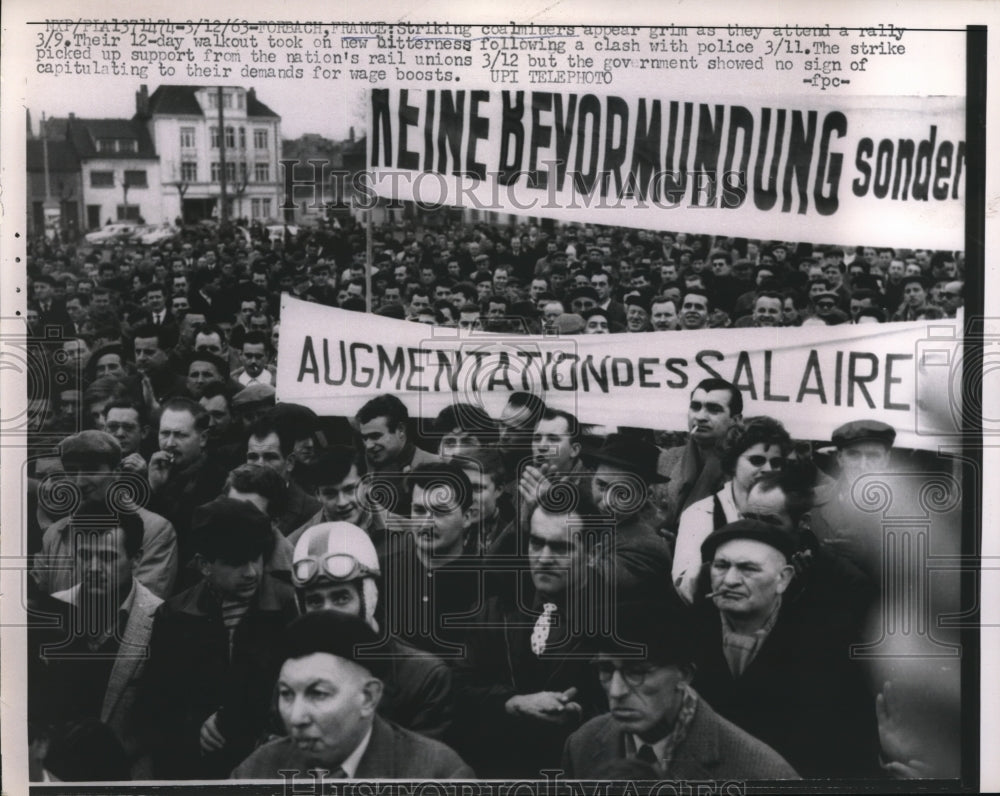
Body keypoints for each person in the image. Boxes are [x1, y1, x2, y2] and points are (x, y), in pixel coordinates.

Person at [690, 519, 881, 778]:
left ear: (784, 579)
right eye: (721, 566)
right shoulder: (684, 635)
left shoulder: (829, 647)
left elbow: (849, 749)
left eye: (748, 569)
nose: (730, 580)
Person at [139, 497, 298, 779]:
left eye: (256, 557)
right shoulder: (175, 616)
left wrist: (237, 720)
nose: (251, 572)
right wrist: (194, 729)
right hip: (200, 765)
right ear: (204, 565)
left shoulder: (288, 605)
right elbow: (157, 702)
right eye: (235, 562)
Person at [451, 492, 607, 778]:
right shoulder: (497, 609)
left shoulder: (614, 618)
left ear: (593, 552)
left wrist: (578, 714)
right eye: (536, 543)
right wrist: (513, 703)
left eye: (560, 548)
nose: (544, 559)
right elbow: (460, 686)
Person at [562, 604, 798, 780]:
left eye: (636, 672)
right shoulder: (582, 745)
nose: (616, 691)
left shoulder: (764, 775)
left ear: (684, 674)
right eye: (606, 669)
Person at [231, 612, 474, 779]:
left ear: (369, 697)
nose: (296, 717)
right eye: (286, 694)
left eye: (318, 693)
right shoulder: (256, 772)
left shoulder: (438, 775)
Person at [289, 523, 454, 740]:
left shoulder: (425, 678)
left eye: (341, 598)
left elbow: (424, 766)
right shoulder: (290, 673)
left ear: (368, 597)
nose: (327, 613)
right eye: (315, 601)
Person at [31, 512, 163, 778]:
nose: (93, 567)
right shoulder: (53, 610)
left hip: (128, 774)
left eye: (107, 557)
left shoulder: (161, 619)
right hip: (58, 774)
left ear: (136, 560)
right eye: (84, 555)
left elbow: (161, 720)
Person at [32, 430, 178, 599]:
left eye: (91, 470)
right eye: (71, 471)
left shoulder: (155, 531)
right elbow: (38, 603)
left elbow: (145, 610)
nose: (79, 482)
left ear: (116, 472)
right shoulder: (55, 534)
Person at [672, 417, 791, 603]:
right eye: (757, 460)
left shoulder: (788, 512)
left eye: (776, 463)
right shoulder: (700, 514)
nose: (769, 469)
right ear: (733, 463)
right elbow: (684, 585)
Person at [809, 420, 896, 581]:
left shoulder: (908, 511)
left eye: (873, 456)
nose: (863, 466)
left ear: (886, 460)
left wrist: (867, 557)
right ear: (840, 458)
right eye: (854, 454)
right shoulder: (811, 501)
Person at [147, 397, 229, 564]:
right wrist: (153, 489)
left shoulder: (218, 480)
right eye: (164, 433)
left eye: (180, 435)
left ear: (203, 438)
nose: (169, 443)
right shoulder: (151, 471)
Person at [656, 378, 743, 533]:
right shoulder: (668, 459)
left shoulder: (742, 466)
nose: (700, 416)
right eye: (695, 407)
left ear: (735, 419)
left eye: (714, 409)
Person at [356, 394, 441, 517]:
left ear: (400, 430)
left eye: (375, 436)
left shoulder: (437, 467)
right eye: (365, 438)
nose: (368, 445)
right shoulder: (365, 466)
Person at [245, 417, 321, 536]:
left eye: (270, 457)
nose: (259, 464)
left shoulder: (312, 512)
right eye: (253, 457)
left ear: (289, 462)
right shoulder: (237, 503)